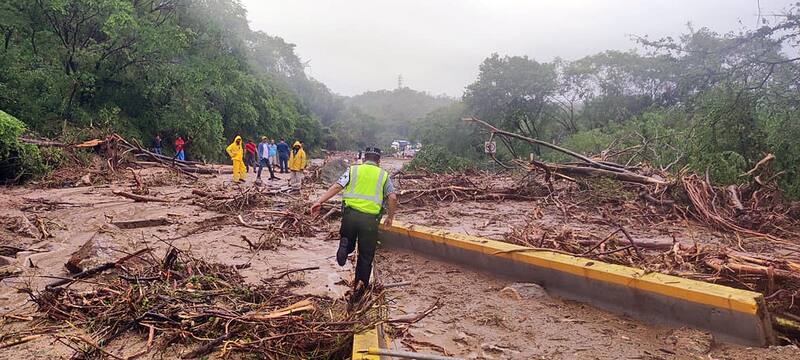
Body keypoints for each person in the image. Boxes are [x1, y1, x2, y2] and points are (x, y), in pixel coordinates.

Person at [310, 147, 397, 302]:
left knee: (348, 241)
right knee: (365, 256)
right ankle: (358, 290)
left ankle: (345, 245)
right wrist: (390, 217)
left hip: (350, 216)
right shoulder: (383, 175)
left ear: (364, 159)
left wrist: (319, 201)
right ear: (379, 161)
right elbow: (392, 198)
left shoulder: (353, 170)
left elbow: (337, 186)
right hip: (370, 221)